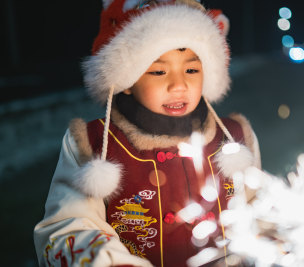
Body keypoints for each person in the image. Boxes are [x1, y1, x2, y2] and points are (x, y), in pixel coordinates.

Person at [33, 0, 261, 266]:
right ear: (127, 80)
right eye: (158, 71)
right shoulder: (92, 145)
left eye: (191, 69)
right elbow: (67, 229)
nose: (179, 85)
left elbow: (259, 211)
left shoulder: (235, 139)